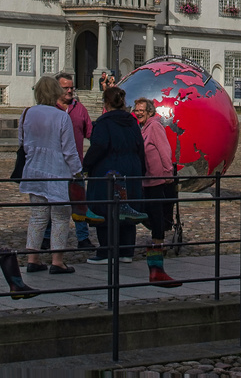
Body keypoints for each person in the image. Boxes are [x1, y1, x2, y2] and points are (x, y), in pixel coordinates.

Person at [19, 75, 82, 275]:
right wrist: (77, 172)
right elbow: (69, 150)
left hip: (34, 169)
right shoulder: (61, 116)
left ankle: (33, 258)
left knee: (37, 216)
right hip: (57, 171)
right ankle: (57, 260)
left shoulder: (27, 113)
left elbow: (22, 142)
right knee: (60, 217)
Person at [82, 86, 147, 263]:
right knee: (128, 209)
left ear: (106, 103)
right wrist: (140, 169)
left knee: (106, 209)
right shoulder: (132, 122)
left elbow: (99, 146)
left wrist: (86, 165)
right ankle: (126, 251)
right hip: (131, 169)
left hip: (109, 170)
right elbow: (140, 146)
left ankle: (106, 251)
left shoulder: (104, 123)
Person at [134, 97, 182, 287]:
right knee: (152, 212)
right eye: (136, 110)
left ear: (150, 111)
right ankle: (156, 247)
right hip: (148, 178)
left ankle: (157, 247)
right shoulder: (144, 127)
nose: (139, 113)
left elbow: (164, 149)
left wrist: (168, 172)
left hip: (157, 177)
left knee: (156, 214)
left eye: (142, 110)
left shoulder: (154, 126)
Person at [57, 73, 94, 251]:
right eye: (66, 88)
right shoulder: (51, 109)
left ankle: (83, 238)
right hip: (55, 167)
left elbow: (91, 134)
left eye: (71, 87)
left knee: (80, 203)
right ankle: (47, 237)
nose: (70, 91)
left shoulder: (80, 109)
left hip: (76, 166)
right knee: (53, 204)